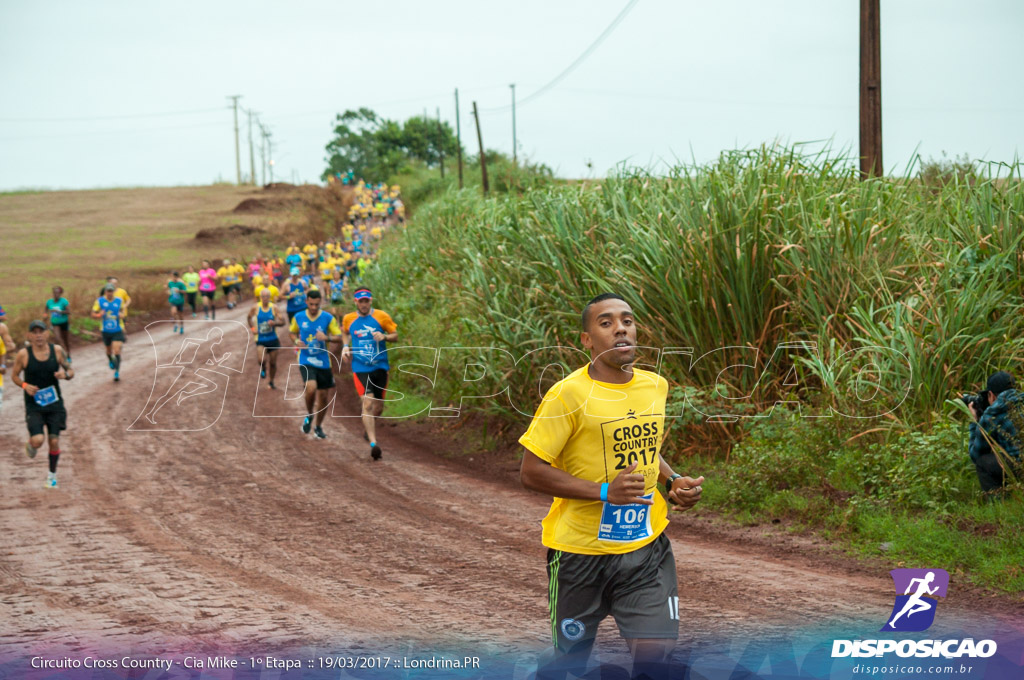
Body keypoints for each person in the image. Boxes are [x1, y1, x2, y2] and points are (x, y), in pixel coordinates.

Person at [518, 293, 704, 680]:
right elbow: (531, 471)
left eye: (627, 320)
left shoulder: (654, 386)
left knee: (656, 665)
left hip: (645, 550)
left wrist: (671, 480)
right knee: (568, 666)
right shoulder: (568, 395)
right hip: (579, 556)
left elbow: (647, 448)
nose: (621, 327)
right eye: (606, 322)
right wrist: (606, 492)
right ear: (586, 340)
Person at [10, 320, 74, 488]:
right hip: (34, 405)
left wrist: (65, 375)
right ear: (29, 335)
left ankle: (51, 477)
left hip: (55, 404)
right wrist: (25, 385)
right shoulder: (24, 354)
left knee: (54, 441)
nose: (38, 335)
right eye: (34, 332)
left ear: (47, 333)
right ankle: (31, 443)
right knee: (38, 440)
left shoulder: (57, 351)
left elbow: (71, 370)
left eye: (41, 331)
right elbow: (14, 376)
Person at [341, 287, 398, 460]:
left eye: (366, 301)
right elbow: (344, 332)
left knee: (378, 407)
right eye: (361, 301)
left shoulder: (381, 317)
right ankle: (374, 444)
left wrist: (385, 337)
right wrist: (345, 346)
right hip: (360, 367)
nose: (364, 304)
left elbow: (395, 335)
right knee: (367, 403)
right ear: (355, 302)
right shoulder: (349, 319)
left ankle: (369, 428)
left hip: (380, 366)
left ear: (370, 301)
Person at [289, 290, 342, 440]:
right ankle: (309, 414)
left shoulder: (327, 318)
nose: (313, 307)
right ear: (306, 302)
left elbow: (339, 337)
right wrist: (295, 341)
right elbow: (291, 332)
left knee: (324, 397)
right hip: (305, 359)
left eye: (317, 305)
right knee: (310, 388)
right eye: (311, 304)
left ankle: (318, 426)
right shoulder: (298, 317)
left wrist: (327, 337)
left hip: (324, 362)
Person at [968, 370, 1023, 498]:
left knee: (983, 462)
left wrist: (974, 421)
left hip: (1020, 468)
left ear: (991, 395)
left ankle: (998, 502)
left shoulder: (992, 415)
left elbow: (975, 455)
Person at [248, 287, 285, 389]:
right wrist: (252, 328)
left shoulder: (274, 308)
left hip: (273, 339)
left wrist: (275, 323)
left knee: (273, 363)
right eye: (263, 296)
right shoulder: (255, 308)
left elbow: (283, 322)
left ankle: (271, 381)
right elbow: (249, 318)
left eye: (267, 296)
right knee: (261, 359)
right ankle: (263, 367)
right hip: (260, 339)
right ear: (260, 297)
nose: (265, 298)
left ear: (270, 297)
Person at [92, 283, 126, 382]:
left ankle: (117, 372)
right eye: (108, 291)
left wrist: (121, 315)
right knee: (108, 351)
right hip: (105, 331)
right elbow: (93, 314)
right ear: (105, 292)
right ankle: (110, 360)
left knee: (117, 351)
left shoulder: (119, 301)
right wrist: (99, 315)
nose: (110, 293)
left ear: (114, 291)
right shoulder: (100, 301)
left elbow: (123, 313)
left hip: (117, 330)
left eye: (111, 291)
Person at [45, 286, 72, 361]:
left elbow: (69, 312)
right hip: (55, 323)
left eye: (58, 293)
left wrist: (59, 311)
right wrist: (45, 315)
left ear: (60, 294)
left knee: (65, 339)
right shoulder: (49, 302)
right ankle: (62, 354)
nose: (56, 294)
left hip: (64, 322)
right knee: (57, 338)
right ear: (53, 293)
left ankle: (68, 354)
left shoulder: (64, 301)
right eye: (55, 293)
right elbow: (46, 310)